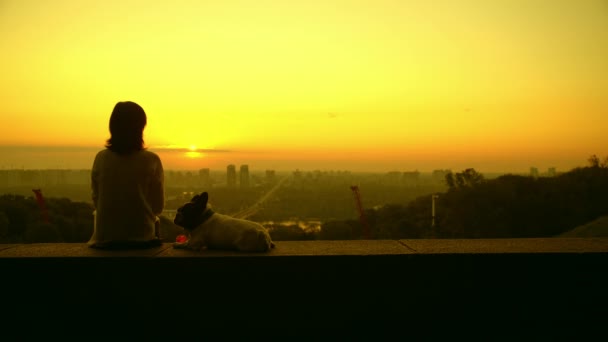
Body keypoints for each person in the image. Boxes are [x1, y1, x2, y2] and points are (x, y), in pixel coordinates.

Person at [88, 101, 164, 249]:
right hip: (142, 239)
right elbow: (157, 207)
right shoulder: (151, 160)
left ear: (112, 127)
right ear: (140, 127)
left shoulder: (101, 158)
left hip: (104, 240)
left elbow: (96, 199)